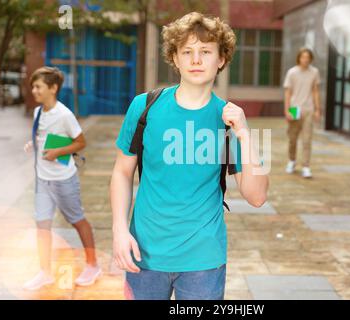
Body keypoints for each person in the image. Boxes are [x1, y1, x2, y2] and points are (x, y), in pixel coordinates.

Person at [110, 12, 268, 300]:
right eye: (187, 52)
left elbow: (256, 197)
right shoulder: (144, 107)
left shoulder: (229, 119)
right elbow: (122, 172)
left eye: (205, 51)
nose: (196, 60)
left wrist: (245, 135)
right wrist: (119, 230)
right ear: (176, 58)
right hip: (144, 253)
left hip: (203, 261)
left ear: (221, 59)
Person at [23, 67, 101, 290]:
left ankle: (93, 265)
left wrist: (57, 152)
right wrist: (33, 145)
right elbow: (43, 138)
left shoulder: (64, 114)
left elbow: (80, 142)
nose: (34, 90)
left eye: (38, 86)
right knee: (42, 225)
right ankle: (45, 272)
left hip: (63, 180)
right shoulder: (38, 113)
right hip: (42, 180)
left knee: (77, 220)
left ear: (53, 88)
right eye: (33, 87)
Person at [283, 47, 321, 178]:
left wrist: (317, 109)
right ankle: (292, 160)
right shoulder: (292, 72)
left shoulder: (314, 72)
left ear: (310, 59)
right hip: (294, 109)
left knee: (307, 140)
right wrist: (287, 110)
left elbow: (315, 91)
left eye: (308, 57)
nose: (305, 59)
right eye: (303, 57)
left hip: (308, 109)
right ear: (299, 58)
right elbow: (288, 92)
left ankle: (306, 166)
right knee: (292, 138)